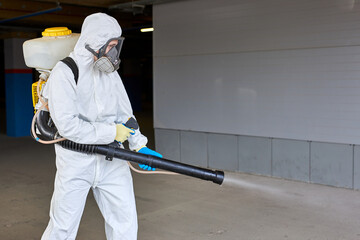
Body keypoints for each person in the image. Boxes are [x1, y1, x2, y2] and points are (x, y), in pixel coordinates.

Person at [41, 13, 161, 240]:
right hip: (76, 163)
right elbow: (67, 126)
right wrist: (111, 132)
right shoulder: (65, 72)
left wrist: (138, 146)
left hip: (112, 160)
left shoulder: (109, 74)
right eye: (111, 46)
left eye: (117, 46)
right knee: (62, 228)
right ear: (95, 42)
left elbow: (126, 114)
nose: (114, 53)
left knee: (124, 223)